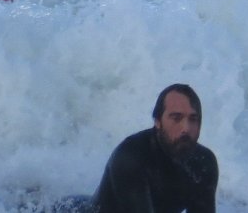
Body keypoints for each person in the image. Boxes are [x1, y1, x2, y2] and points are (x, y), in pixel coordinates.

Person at [91, 84, 217, 213]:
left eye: (193, 119)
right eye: (176, 118)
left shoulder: (204, 163)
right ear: (157, 121)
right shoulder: (131, 156)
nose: (186, 128)